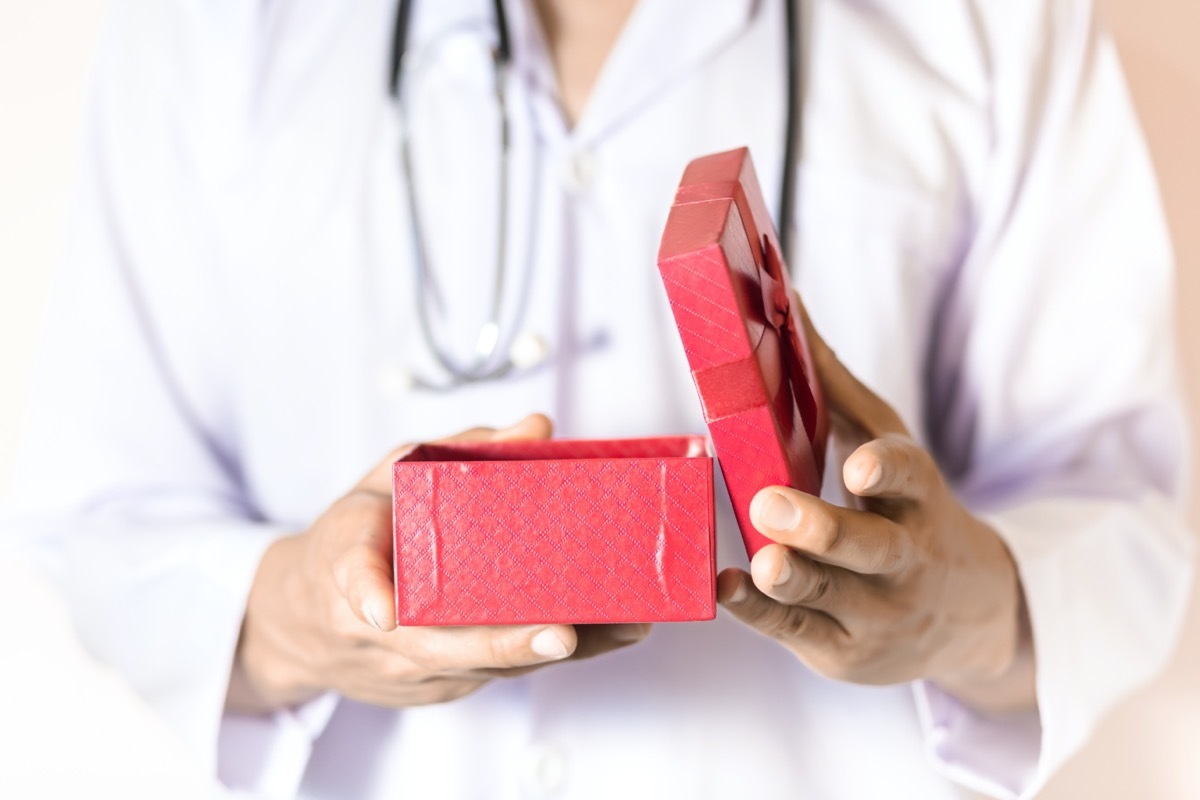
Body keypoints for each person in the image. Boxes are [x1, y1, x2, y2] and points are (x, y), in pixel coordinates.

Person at [5, 0, 1193, 797]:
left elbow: (1122, 503)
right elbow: (104, 509)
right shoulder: (204, 29)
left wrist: (967, 609)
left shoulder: (993, 21)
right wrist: (302, 615)